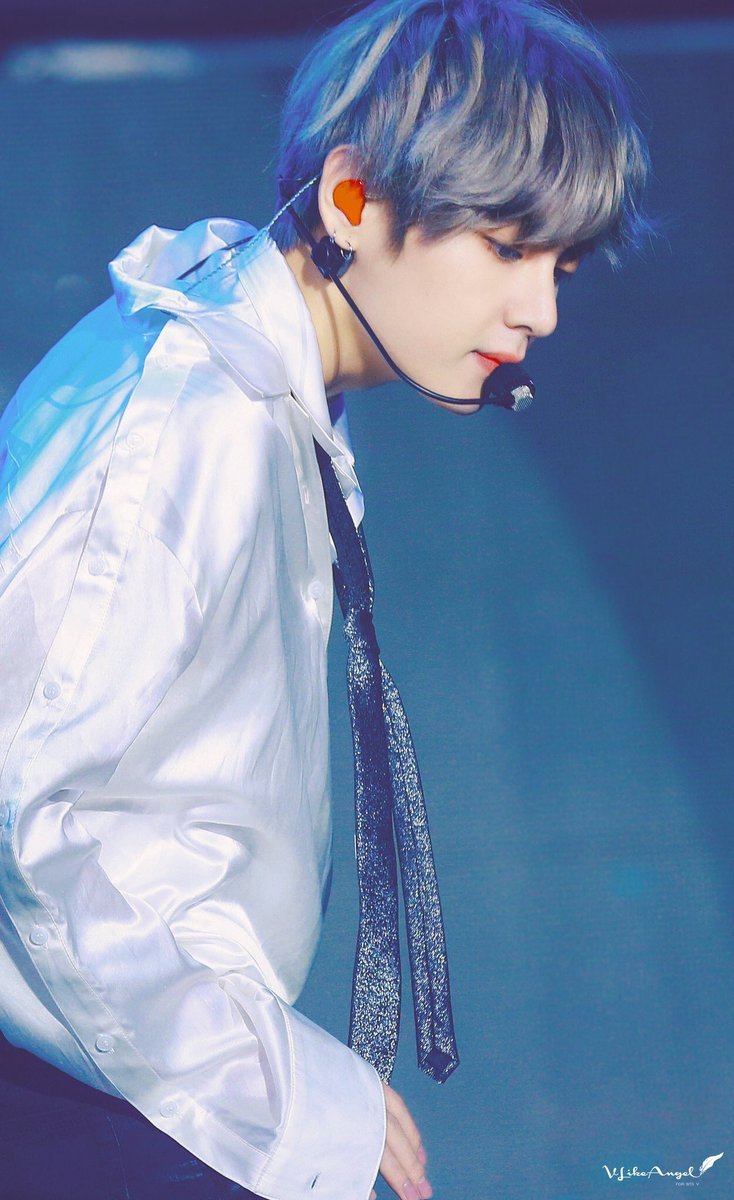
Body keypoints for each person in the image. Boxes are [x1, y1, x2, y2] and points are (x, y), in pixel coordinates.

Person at [0, 1, 652, 1198]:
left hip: (140, 1081)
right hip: (100, 1100)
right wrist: (275, 1095)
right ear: (350, 199)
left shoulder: (257, 395)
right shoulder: (185, 423)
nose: (541, 312)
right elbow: (20, 806)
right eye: (506, 248)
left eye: (558, 265)